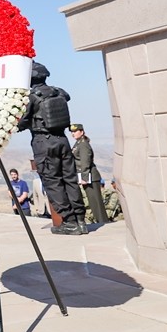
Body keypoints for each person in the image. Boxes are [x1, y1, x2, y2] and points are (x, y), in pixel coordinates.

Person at [17, 62, 87, 236]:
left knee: (53, 182)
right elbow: (67, 97)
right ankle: (80, 220)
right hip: (62, 140)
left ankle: (69, 222)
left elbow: (21, 122)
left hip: (44, 142)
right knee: (70, 180)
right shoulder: (58, 91)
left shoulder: (32, 98)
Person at [70, 124, 109, 225]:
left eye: (75, 131)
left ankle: (103, 222)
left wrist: (85, 177)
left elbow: (85, 161)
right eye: (72, 132)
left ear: (82, 132)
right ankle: (100, 221)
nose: (73, 134)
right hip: (87, 176)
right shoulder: (78, 143)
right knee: (93, 202)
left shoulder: (83, 144)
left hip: (90, 176)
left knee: (96, 202)